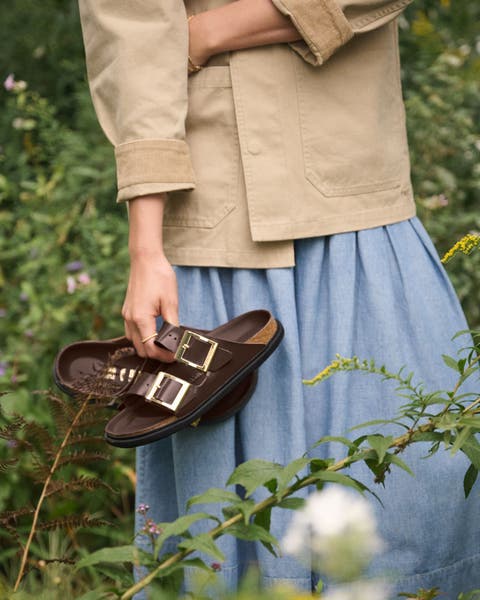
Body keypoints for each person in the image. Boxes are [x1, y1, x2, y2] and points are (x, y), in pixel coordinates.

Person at [77, 0, 480, 596]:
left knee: (415, 495)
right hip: (211, 217)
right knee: (226, 534)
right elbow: (130, 32)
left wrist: (208, 32)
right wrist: (147, 249)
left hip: (357, 200)